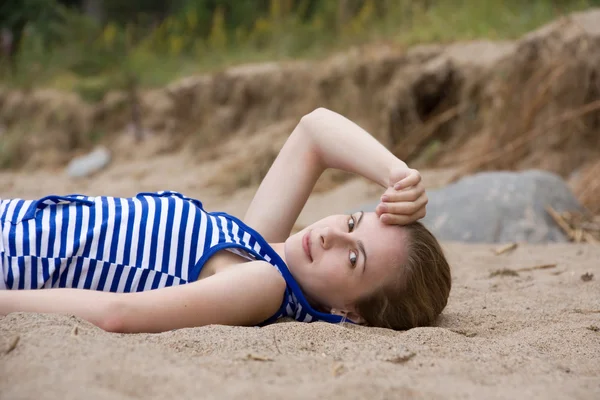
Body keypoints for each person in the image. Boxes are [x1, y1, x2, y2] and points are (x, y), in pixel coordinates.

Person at [0, 108, 451, 333]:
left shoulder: (262, 283)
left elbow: (119, 315)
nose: (331, 234)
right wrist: (397, 174)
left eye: (354, 258)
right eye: (352, 222)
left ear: (349, 312)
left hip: (15, 259)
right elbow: (315, 131)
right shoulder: (259, 246)